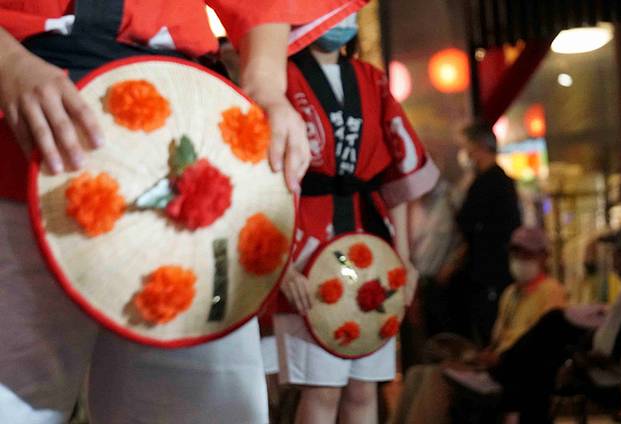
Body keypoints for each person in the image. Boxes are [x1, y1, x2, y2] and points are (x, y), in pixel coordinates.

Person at [0, 1, 368, 422]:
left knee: (205, 410)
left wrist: (266, 85)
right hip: (23, 117)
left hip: (190, 123)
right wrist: (8, 64)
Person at [271, 14, 440, 424]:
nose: (340, 15)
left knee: (365, 388)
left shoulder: (371, 79)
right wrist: (279, 262)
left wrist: (404, 260)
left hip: (371, 242)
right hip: (304, 243)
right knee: (322, 389)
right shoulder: (278, 79)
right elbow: (263, 177)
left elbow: (395, 174)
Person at [446, 223, 621, 424]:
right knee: (538, 356)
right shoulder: (510, 293)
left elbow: (614, 350)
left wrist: (580, 353)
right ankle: (496, 376)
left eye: (618, 252)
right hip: (582, 361)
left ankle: (496, 376)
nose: (613, 257)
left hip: (614, 375)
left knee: (550, 332)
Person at [393, 226, 566, 424]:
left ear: (543, 256)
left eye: (526, 254)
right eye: (516, 253)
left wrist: (500, 358)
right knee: (416, 374)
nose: (520, 259)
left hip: (518, 374)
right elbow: (498, 337)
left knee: (437, 378)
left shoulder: (551, 292)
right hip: (496, 366)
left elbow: (542, 344)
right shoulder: (511, 294)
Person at [441, 121, 521, 345]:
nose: (465, 153)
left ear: (479, 146)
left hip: (489, 273)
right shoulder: (484, 181)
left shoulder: (493, 183)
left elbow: (478, 230)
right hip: (485, 272)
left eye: (467, 146)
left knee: (489, 332)